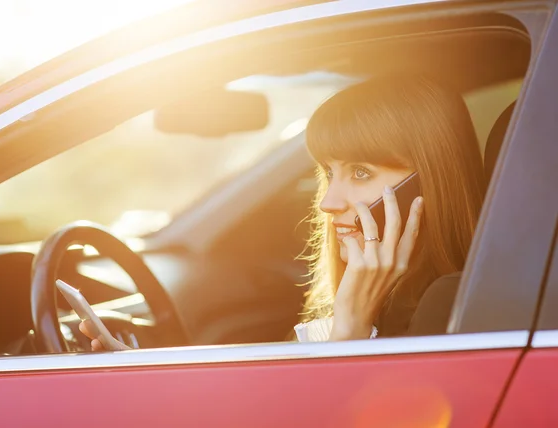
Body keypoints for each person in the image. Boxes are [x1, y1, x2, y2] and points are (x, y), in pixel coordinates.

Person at [80, 74, 486, 349]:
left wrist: (350, 329)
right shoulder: (387, 299)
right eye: (330, 172)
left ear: (428, 183)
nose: (329, 202)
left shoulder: (448, 313)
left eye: (361, 172)